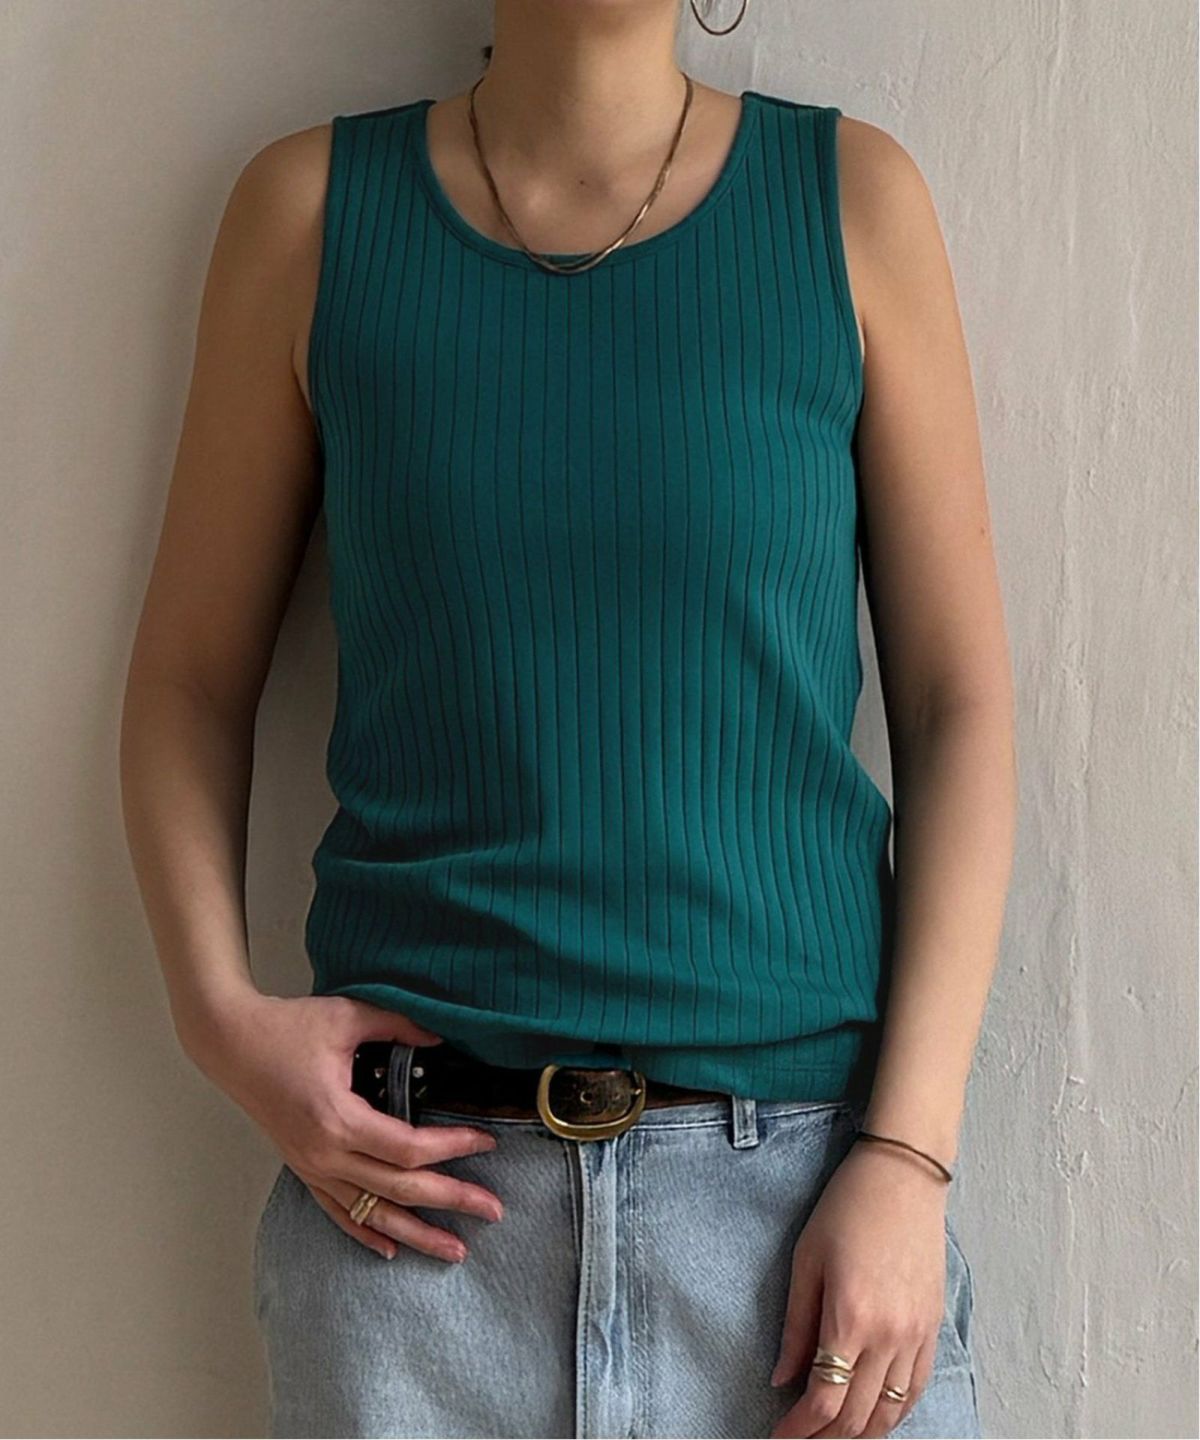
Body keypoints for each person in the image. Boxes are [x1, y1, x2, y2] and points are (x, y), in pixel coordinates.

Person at [120, 1, 1016, 1436]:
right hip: (415, 1236)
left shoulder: (853, 205)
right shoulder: (310, 217)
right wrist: (217, 1021)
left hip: (805, 1240)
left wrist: (910, 1157)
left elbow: (957, 705)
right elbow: (188, 682)